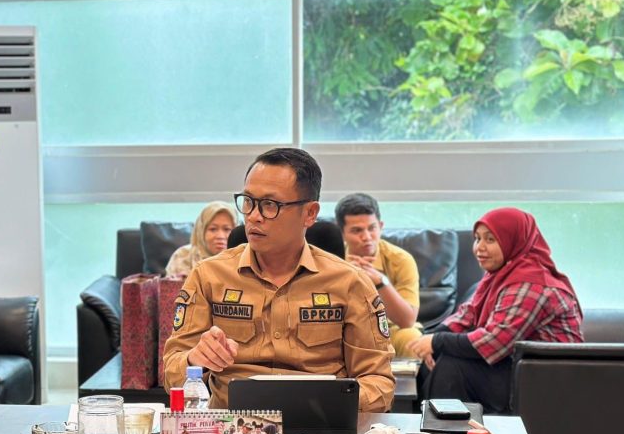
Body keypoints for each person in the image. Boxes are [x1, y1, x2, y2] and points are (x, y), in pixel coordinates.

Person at [163, 148, 395, 412]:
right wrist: (195, 360)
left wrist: (336, 403)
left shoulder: (350, 282)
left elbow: (380, 382)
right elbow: (171, 374)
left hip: (319, 424)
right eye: (248, 202)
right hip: (231, 426)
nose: (254, 216)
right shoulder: (208, 276)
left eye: (270, 205)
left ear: (310, 213)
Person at [407, 207, 583, 413]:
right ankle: (424, 427)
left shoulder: (532, 283)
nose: (479, 248)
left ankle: (440, 431)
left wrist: (437, 341)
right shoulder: (500, 274)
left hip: (548, 379)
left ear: (513, 240)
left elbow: (495, 340)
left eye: (490, 240)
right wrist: (431, 341)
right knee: (437, 359)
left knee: (451, 367)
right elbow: (466, 315)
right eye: (477, 238)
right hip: (515, 367)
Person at [335, 193, 422, 357]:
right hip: (344, 331)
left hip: (389, 329)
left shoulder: (401, 260)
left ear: (381, 226)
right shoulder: (331, 258)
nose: (367, 237)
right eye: (357, 230)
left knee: (412, 338)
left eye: (372, 228)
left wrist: (381, 282)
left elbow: (407, 320)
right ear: (342, 233)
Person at [165, 201, 239, 277]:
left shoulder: (242, 259)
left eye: (227, 229)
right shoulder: (183, 255)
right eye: (213, 229)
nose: (220, 236)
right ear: (201, 231)